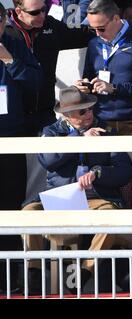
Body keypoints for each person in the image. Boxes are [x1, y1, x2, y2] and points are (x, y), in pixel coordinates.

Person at [22, 86, 132, 295]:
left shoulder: (106, 130)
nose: (89, 113)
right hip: (60, 198)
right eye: (82, 111)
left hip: (96, 198)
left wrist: (98, 173)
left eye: (90, 108)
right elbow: (48, 160)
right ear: (66, 115)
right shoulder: (51, 131)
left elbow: (124, 170)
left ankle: (85, 271)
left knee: (111, 216)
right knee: (29, 213)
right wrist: (80, 139)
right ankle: (33, 272)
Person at [0, 2, 41, 294]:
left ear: (4, 21)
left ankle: (8, 282)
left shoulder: (14, 44)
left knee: (9, 213)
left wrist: (10, 60)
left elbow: (36, 82)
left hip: (10, 140)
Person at [6, 0, 93, 136]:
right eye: (35, 12)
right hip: (15, 114)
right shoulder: (5, 32)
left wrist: (119, 30)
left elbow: (81, 35)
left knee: (52, 155)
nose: (42, 15)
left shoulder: (50, 25)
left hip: (45, 112)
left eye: (44, 9)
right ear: (18, 12)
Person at [75, 0, 132, 136]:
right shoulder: (94, 44)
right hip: (101, 122)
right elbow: (90, 78)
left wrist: (114, 88)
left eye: (101, 28)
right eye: (92, 29)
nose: (97, 33)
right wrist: (84, 87)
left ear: (116, 18)